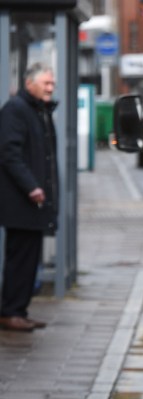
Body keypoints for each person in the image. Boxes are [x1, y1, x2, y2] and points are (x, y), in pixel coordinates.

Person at [0, 64, 58, 332]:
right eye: (46, 83)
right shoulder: (16, 110)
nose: (50, 88)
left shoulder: (35, 110)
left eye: (51, 83)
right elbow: (9, 154)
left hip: (31, 202)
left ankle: (19, 310)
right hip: (21, 201)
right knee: (20, 257)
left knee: (29, 258)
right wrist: (31, 187)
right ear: (29, 83)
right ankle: (10, 311)